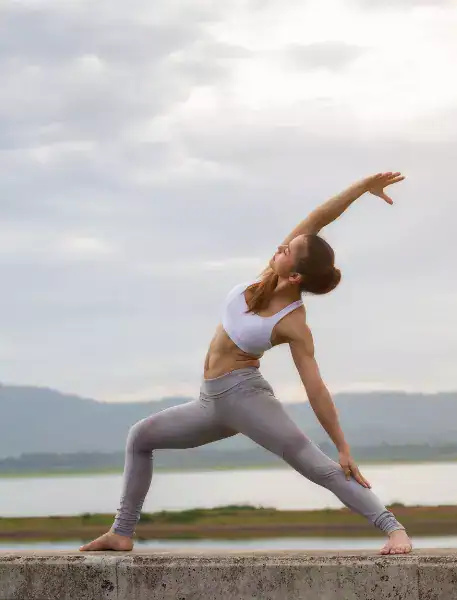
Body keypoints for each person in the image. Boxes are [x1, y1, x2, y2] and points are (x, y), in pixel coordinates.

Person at [79, 172, 413, 555]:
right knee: (140, 437)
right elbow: (320, 217)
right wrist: (361, 188)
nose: (281, 246)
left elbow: (315, 388)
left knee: (315, 465)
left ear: (296, 274)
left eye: (288, 250)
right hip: (210, 402)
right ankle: (122, 533)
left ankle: (394, 530)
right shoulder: (268, 277)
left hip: (246, 399)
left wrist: (342, 446)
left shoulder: (293, 323)